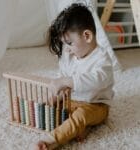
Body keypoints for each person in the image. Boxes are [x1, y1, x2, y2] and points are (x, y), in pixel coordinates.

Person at [35, 3, 114, 150]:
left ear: (87, 36)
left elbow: (95, 81)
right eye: (65, 44)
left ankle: (52, 140)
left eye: (70, 43)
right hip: (73, 101)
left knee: (81, 115)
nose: (68, 49)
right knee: (53, 105)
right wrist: (57, 94)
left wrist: (67, 81)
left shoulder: (102, 59)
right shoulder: (69, 55)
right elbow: (63, 76)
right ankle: (82, 127)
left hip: (96, 105)